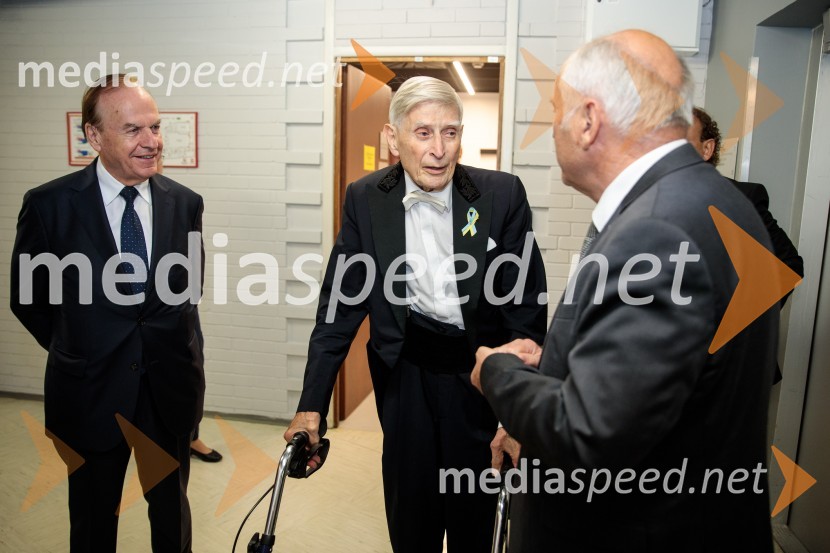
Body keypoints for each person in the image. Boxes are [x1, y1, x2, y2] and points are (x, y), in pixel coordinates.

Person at [471, 31, 778, 552]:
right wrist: (561, 367)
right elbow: (652, 378)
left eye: (555, 111)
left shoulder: (655, 230)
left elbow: (591, 431)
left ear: (589, 120)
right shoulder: (717, 200)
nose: (551, 129)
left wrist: (498, 372)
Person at [284, 76, 547, 552]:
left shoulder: (502, 194)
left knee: (478, 517)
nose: (439, 149)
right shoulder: (365, 198)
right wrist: (312, 406)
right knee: (411, 517)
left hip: (480, 378)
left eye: (450, 132)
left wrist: (516, 415)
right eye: (423, 133)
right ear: (393, 137)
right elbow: (340, 308)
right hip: (405, 377)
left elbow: (525, 312)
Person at [10, 74, 205, 552]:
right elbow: (28, 300)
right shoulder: (49, 205)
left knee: (171, 515)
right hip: (90, 391)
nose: (152, 141)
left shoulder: (185, 203)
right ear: (93, 136)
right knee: (94, 518)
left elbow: (188, 292)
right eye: (133, 129)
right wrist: (83, 343)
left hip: (167, 391)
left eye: (155, 128)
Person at [688, 106, 804, 283]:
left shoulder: (741, 199)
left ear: (706, 149)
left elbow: (787, 267)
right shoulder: (639, 197)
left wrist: (741, 311)